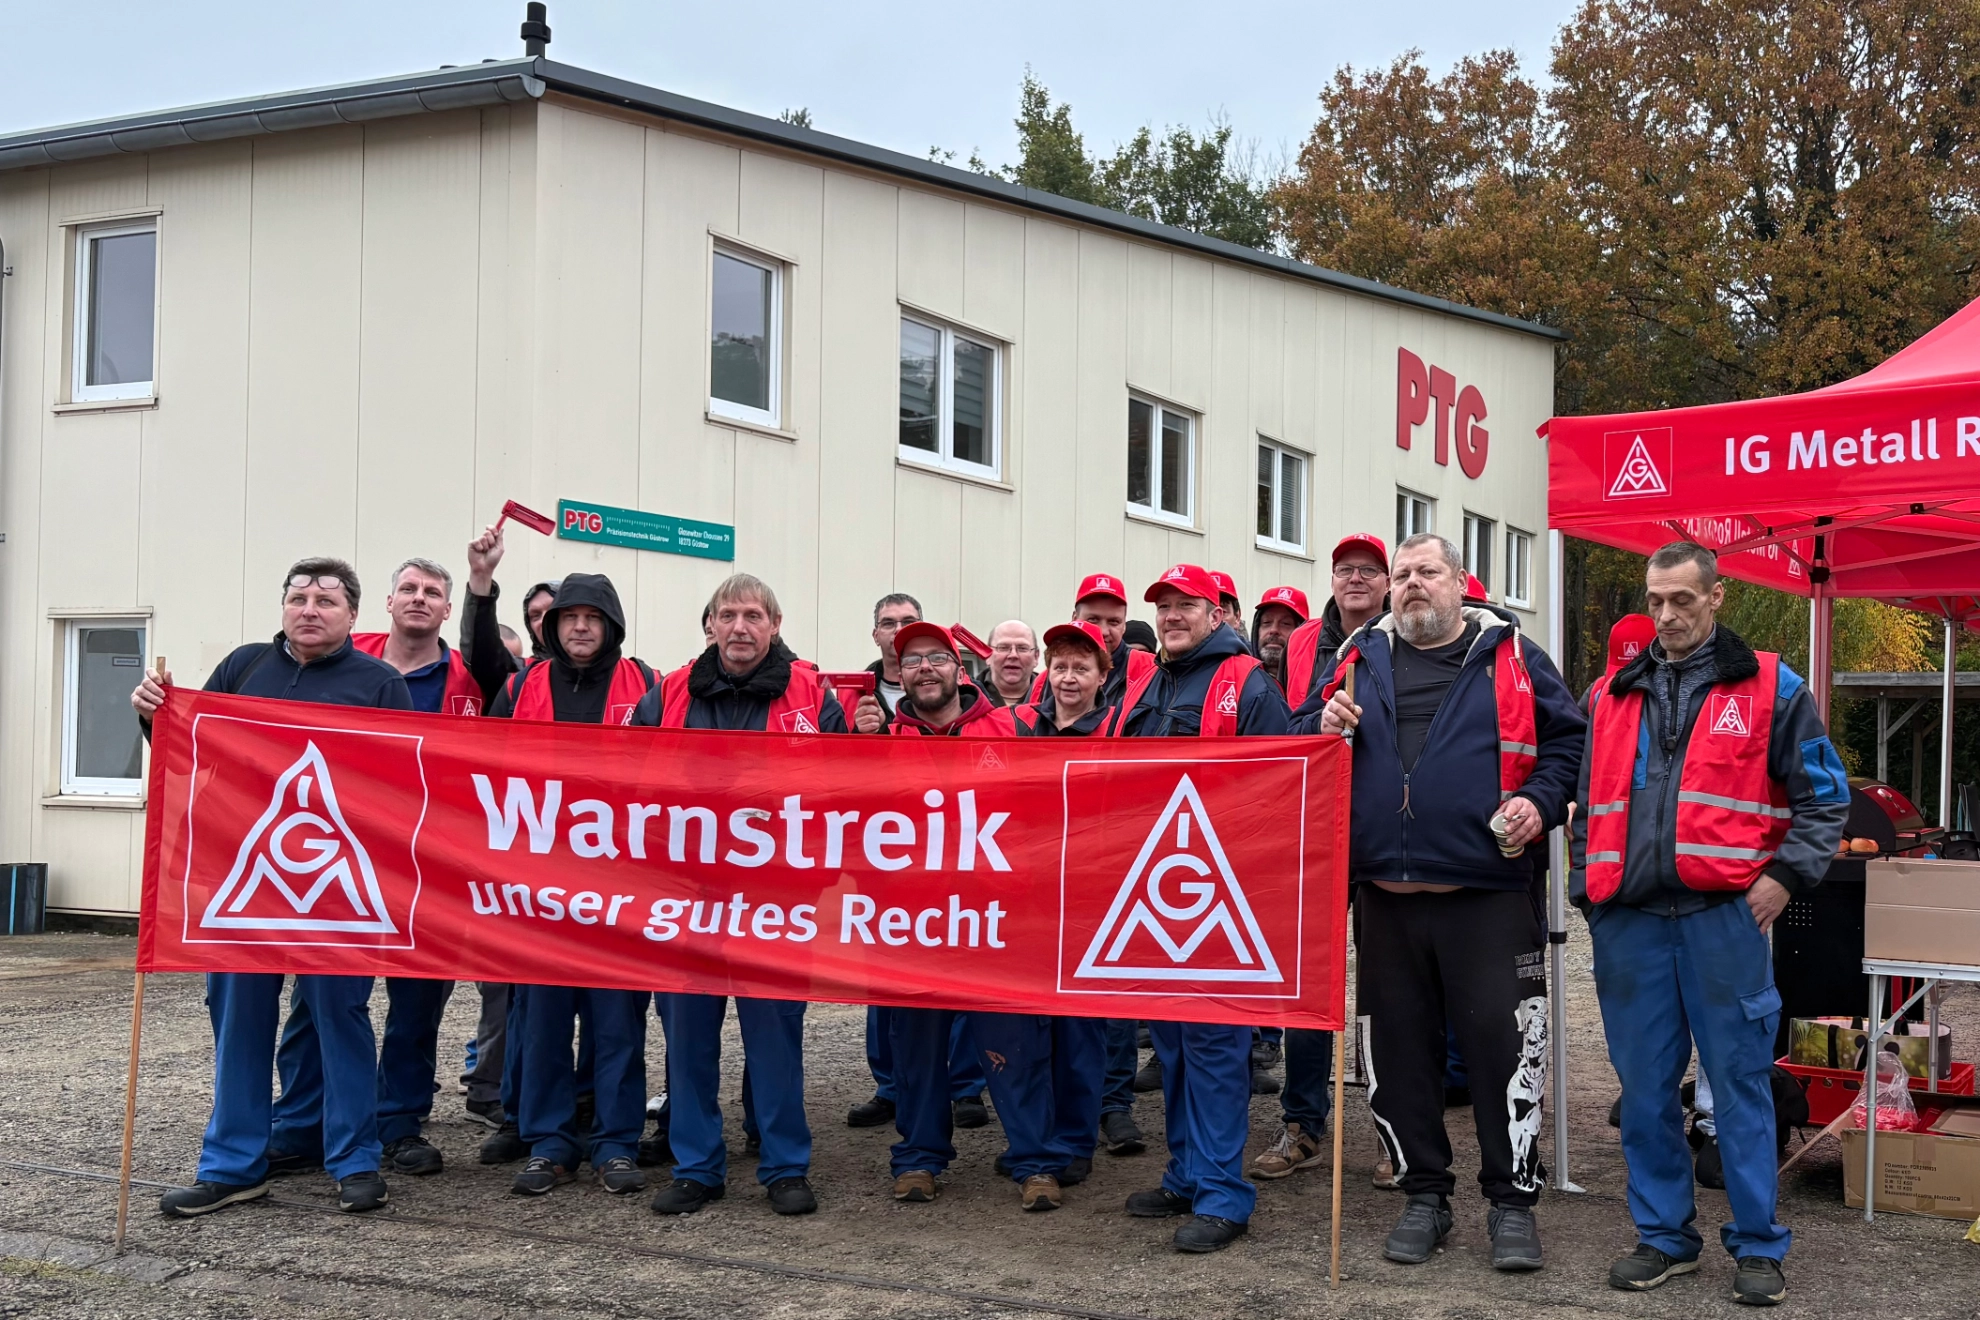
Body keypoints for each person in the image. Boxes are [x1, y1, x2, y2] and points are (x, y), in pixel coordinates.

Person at [1300, 533, 1584, 1272]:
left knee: (1503, 1052)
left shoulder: (1514, 658)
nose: (1412, 584)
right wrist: (1321, 727)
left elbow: (1567, 747)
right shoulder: (1355, 660)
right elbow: (1298, 744)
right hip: (1386, 901)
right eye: (1402, 576)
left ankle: (1512, 1206)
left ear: (1462, 582)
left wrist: (1540, 801)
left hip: (1486, 895)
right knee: (1397, 1059)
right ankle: (1424, 1195)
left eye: (1428, 571)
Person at [1572, 543, 1847, 1305]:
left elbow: (1826, 796)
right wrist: (1584, 890)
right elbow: (1589, 808)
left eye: (1683, 600)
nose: (1666, 616)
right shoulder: (1610, 694)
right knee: (1646, 1092)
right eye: (1656, 600)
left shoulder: (1770, 687)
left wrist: (1783, 879)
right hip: (1629, 922)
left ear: (1715, 596)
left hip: (1723, 920)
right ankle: (1665, 1238)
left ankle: (1759, 1245)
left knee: (1740, 1088)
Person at [133, 558, 412, 1217]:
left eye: (326, 600)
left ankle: (353, 1159)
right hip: (243, 882)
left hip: (335, 894)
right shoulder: (243, 667)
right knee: (239, 1023)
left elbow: (404, 782)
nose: (309, 609)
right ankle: (233, 1164)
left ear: (352, 615)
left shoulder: (379, 684)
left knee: (340, 1020)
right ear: (283, 607)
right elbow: (191, 746)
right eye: (298, 597)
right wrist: (154, 716)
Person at [267, 555, 512, 1183]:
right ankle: (300, 1122)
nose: (419, 599)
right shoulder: (347, 658)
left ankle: (398, 1122)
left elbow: (493, 659)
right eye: (408, 588)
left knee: (418, 998)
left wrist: (481, 581)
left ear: (448, 610)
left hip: (432, 861)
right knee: (317, 998)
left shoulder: (471, 677)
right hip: (337, 856)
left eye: (434, 592)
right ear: (383, 602)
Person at [630, 574, 846, 1218]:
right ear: (710, 625)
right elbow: (627, 782)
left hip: (776, 897)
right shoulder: (666, 694)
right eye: (728, 615)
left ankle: (785, 1166)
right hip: (686, 893)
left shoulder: (814, 696)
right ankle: (697, 1165)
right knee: (687, 1037)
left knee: (774, 1038)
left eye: (754, 615)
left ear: (775, 625)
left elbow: (842, 796)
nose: (740, 627)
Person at [1118, 564, 1291, 1253]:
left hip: (1220, 896)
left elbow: (1281, 782)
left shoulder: (1247, 682)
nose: (1170, 615)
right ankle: (1188, 1173)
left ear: (1217, 612)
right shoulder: (1145, 680)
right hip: (1154, 895)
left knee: (1216, 1048)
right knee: (1174, 1047)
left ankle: (1224, 1193)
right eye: (1162, 605)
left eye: (1185, 604)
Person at [486, 572, 656, 1199]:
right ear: (551, 627)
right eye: (567, 617)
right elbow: (483, 777)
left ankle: (615, 1142)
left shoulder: (649, 687)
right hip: (541, 890)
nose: (579, 627)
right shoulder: (520, 686)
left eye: (592, 616)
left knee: (618, 1024)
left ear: (611, 625)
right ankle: (549, 1143)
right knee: (545, 1023)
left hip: (621, 889)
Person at [878, 621, 1015, 1204]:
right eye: (912, 660)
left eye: (937, 657)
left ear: (960, 669)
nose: (925, 669)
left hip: (994, 918)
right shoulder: (881, 740)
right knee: (915, 1048)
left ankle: (1034, 1157)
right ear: (898, 672)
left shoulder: (1012, 728)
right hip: (913, 924)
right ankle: (920, 1156)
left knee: (1011, 1045)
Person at [1284, 534, 1390, 709]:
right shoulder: (1300, 639)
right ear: (1332, 582)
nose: (1355, 578)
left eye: (1369, 570)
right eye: (1345, 570)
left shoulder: (1406, 640)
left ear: (1387, 584)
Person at [863, 593, 922, 730]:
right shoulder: (851, 694)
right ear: (876, 636)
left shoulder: (955, 689)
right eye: (888, 623)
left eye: (908, 622)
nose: (899, 629)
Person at [1250, 587, 1309, 691]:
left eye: (1285, 624)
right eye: (1266, 622)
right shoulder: (1241, 680)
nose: (1274, 630)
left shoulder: (1317, 683)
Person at [983, 620, 1041, 707]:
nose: (1013, 655)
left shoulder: (1056, 701)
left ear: (1036, 657)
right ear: (988, 655)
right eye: (1003, 648)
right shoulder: (964, 699)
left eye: (1022, 648)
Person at [1209, 570, 1245, 644]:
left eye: (1223, 612)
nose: (1214, 620)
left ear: (1237, 617)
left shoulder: (1250, 654)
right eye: (1208, 611)